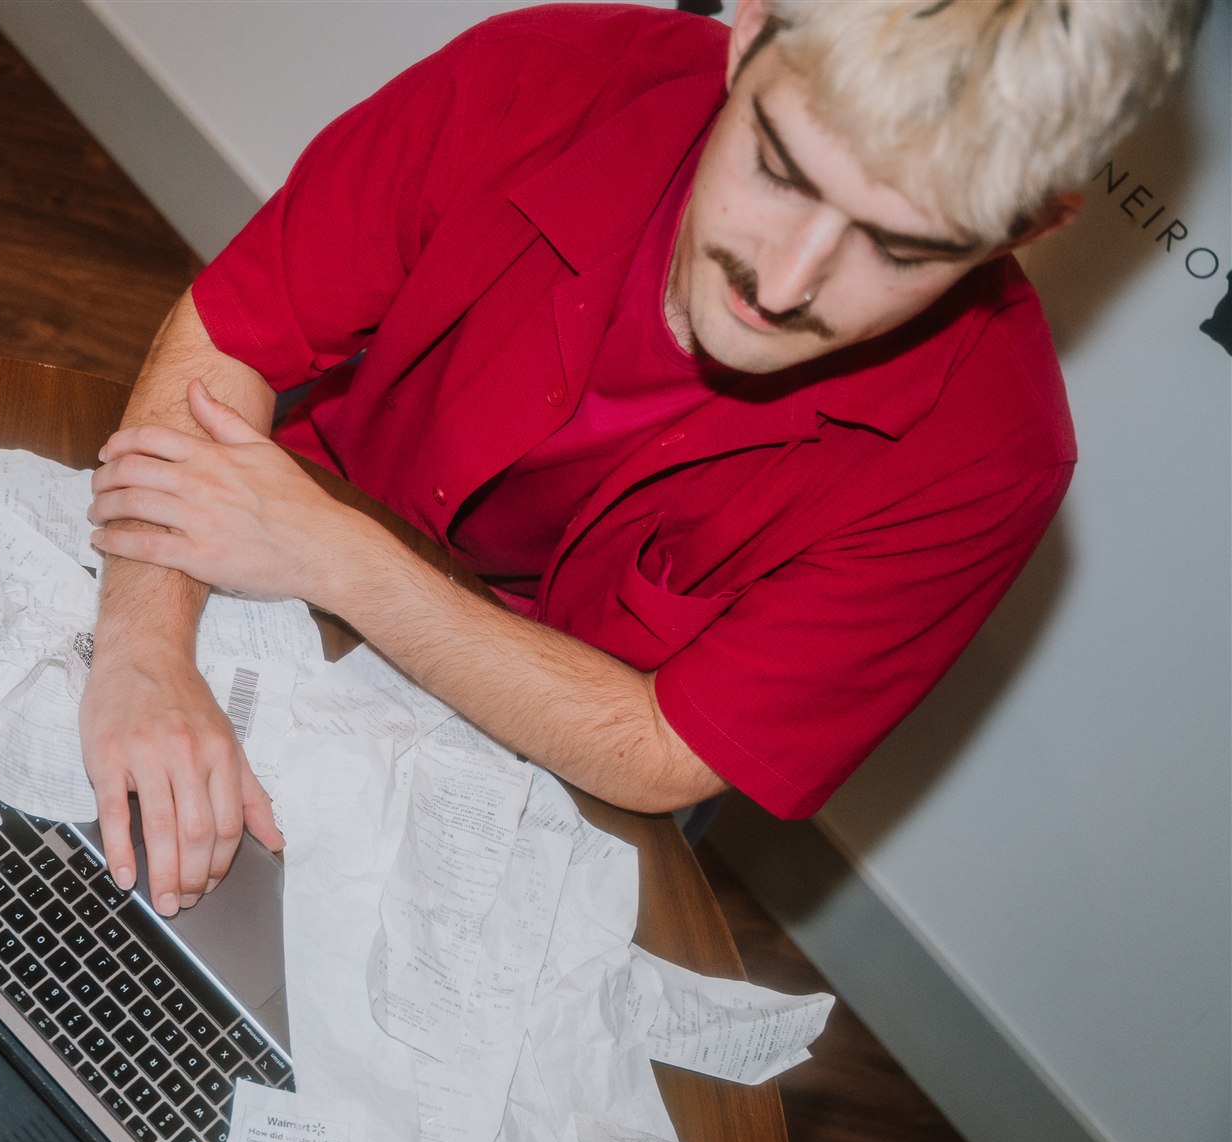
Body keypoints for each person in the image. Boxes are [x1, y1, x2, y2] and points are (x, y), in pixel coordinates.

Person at [79, 0, 1203, 916]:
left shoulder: (990, 461)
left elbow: (664, 755)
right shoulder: (543, 75)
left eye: (901, 249)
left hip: (545, 762)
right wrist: (139, 652)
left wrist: (343, 559)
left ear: (1025, 227)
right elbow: (232, 334)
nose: (785, 279)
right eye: (777, 166)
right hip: (260, 549)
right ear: (750, 22)